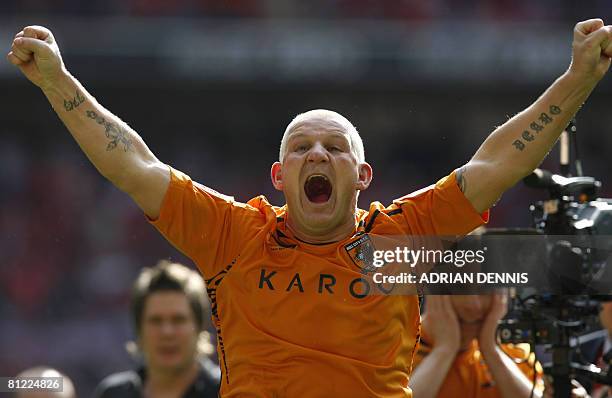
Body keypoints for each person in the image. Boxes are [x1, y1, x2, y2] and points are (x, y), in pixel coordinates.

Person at [6, 19, 612, 396]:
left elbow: (496, 163)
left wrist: (579, 78)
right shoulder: (235, 235)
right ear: (279, 175)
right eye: (300, 147)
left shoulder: (401, 236)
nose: (316, 153)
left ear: (362, 176)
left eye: (334, 147)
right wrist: (58, 81)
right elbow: (132, 164)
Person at [94, 260, 220, 397]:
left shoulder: (227, 392)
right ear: (139, 328)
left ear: (199, 326)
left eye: (178, 320)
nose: (167, 332)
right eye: (155, 321)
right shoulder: (113, 394)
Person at [410, 294, 544, 398]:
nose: (473, 306)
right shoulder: (396, 348)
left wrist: (492, 351)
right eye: (460, 287)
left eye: (484, 290)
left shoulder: (516, 355)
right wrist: (444, 350)